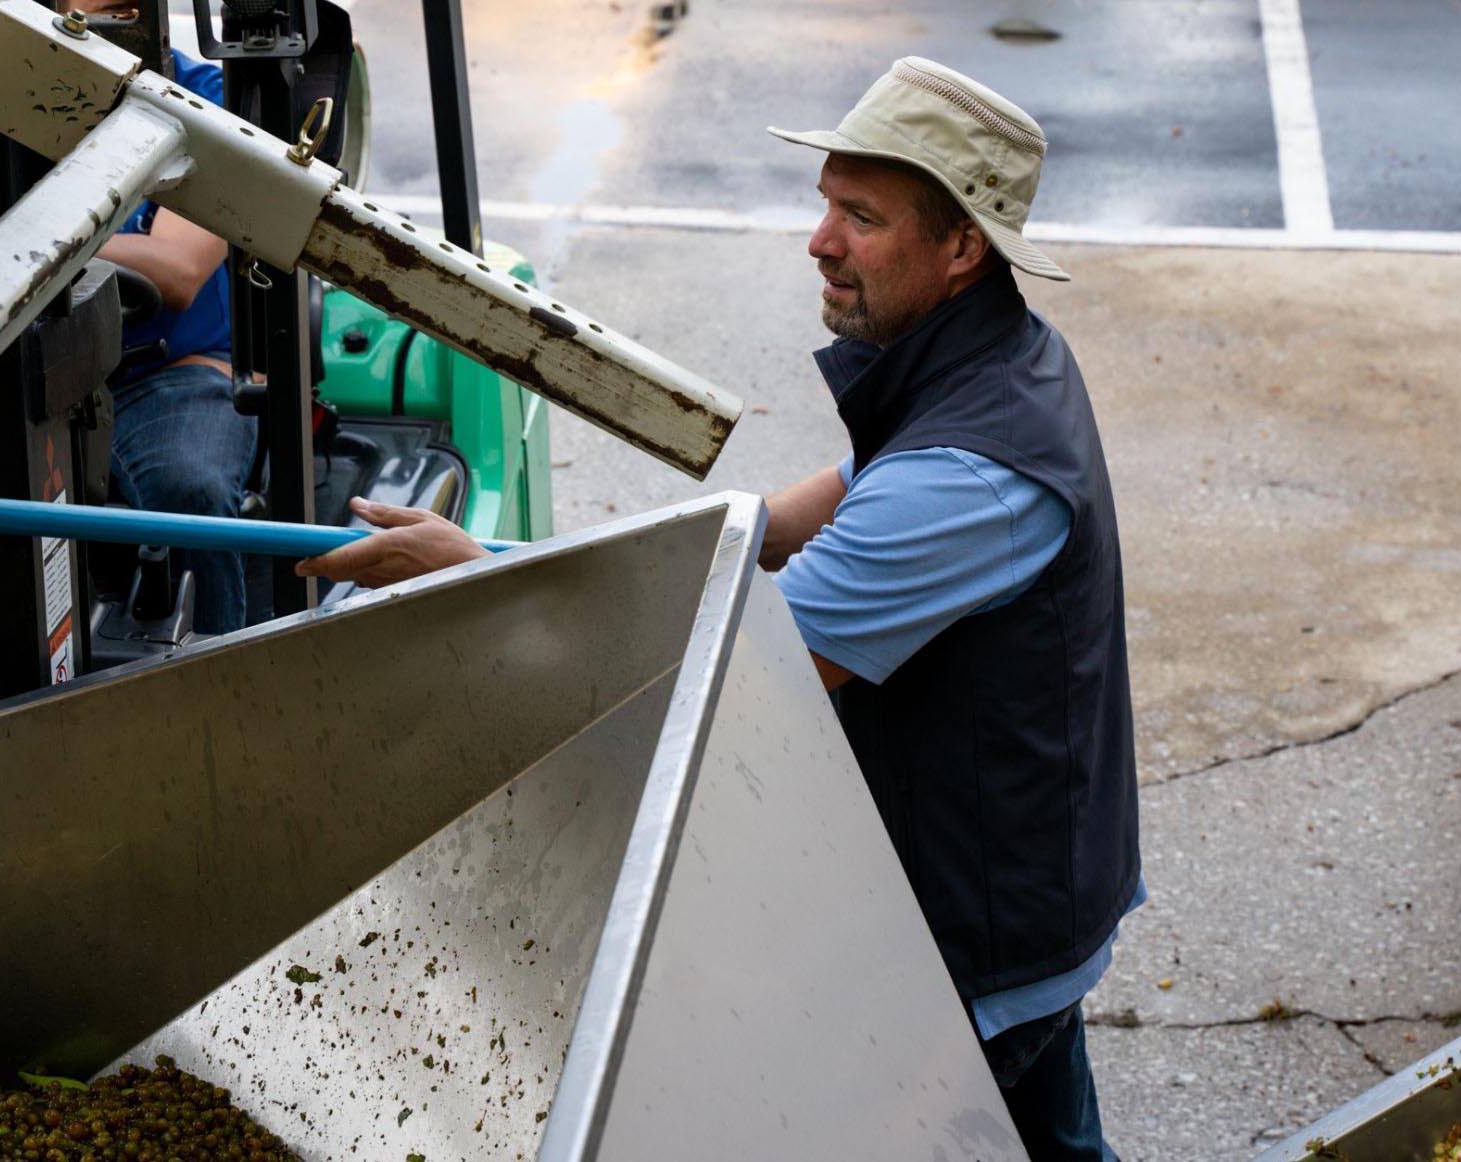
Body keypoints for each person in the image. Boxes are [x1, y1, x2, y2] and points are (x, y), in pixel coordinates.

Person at [296, 57, 1140, 1161]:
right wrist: (541, 554)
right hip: (1018, 896)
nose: (818, 240)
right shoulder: (992, 360)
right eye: (825, 202)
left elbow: (733, 676)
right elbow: (795, 513)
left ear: (962, 249)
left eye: (860, 216)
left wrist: (477, 578)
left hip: (975, 938)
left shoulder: (968, 477)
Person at [85, 26, 255, 634]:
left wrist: (16, 242)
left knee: (188, 492)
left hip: (167, 373)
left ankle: (221, 699)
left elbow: (178, 271)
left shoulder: (206, 97)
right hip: (21, 379)